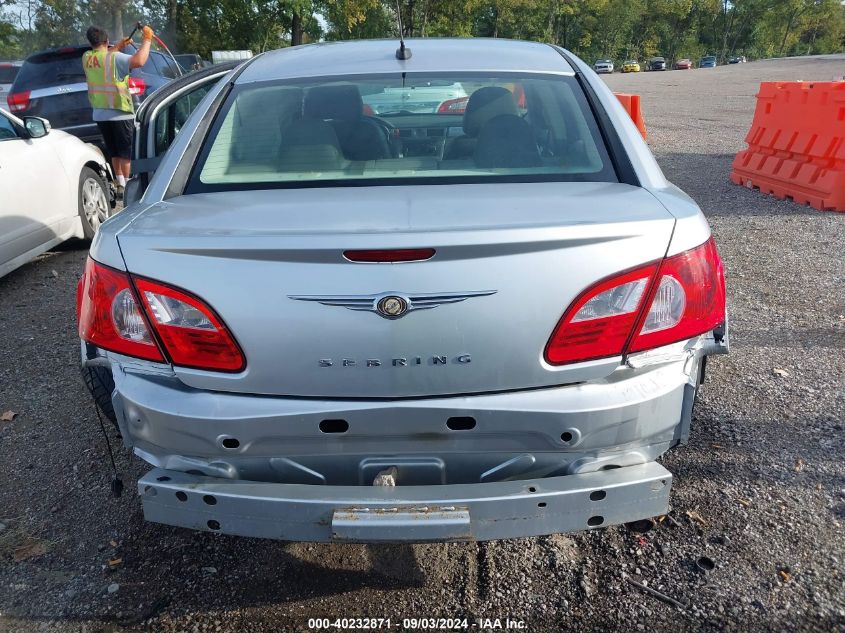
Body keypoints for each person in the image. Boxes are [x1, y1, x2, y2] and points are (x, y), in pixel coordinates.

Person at [82, 24, 154, 198]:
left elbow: (104, 56)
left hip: (100, 113)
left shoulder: (87, 57)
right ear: (106, 41)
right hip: (119, 111)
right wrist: (147, 39)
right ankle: (129, 187)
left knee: (114, 151)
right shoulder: (115, 58)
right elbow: (139, 61)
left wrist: (118, 46)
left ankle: (121, 184)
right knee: (126, 153)